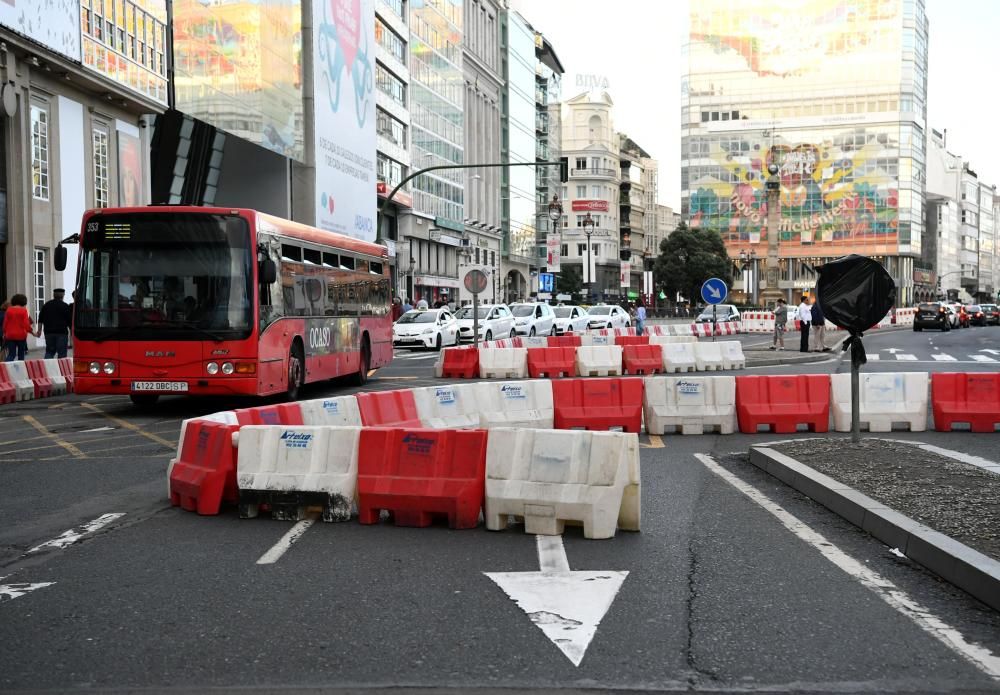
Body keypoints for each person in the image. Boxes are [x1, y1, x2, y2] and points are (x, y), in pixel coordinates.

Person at [37, 288, 73, 358]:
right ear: (63, 295)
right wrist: (72, 334)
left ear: (53, 295)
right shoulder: (65, 306)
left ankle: (47, 367)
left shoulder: (46, 305)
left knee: (49, 352)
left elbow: (40, 319)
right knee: (62, 353)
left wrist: (39, 331)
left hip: (48, 332)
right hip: (61, 332)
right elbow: (70, 321)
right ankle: (61, 368)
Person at [2, 293, 34, 362]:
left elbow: (5, 324)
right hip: (21, 335)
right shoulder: (23, 311)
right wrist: (32, 332)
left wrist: (4, 332)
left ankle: (4, 369)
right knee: (21, 355)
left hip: (10, 335)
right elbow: (26, 324)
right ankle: (20, 370)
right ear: (23, 302)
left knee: (11, 354)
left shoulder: (9, 310)